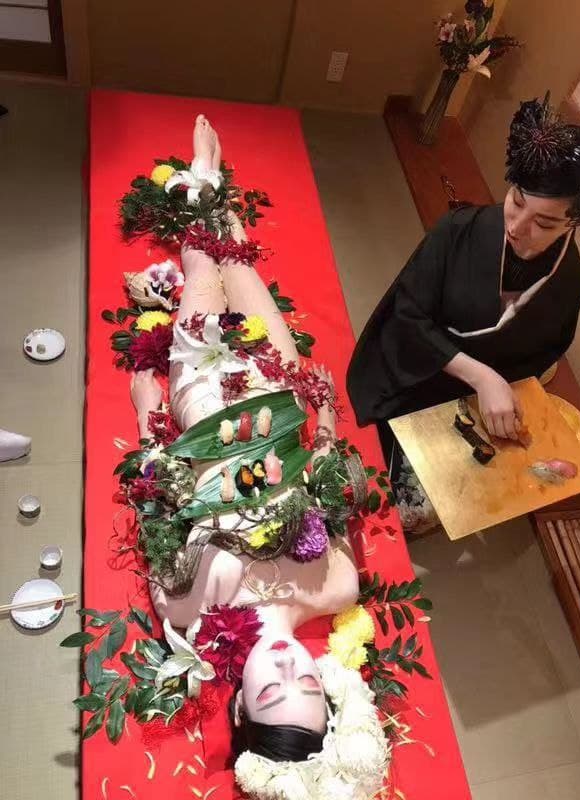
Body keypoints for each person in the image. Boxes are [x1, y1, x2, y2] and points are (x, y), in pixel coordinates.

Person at [130, 115, 360, 762]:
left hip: (205, 412)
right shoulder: (337, 588)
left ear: (239, 705)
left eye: (272, 691)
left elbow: (159, 506)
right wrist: (326, 418)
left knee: (202, 269)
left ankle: (203, 176)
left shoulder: (185, 613)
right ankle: (215, 193)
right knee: (240, 264)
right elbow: (328, 494)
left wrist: (148, 415)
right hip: (279, 401)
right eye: (307, 686)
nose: (290, 669)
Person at [347, 93, 580, 484]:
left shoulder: (571, 284)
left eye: (545, 223)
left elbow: (540, 356)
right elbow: (407, 314)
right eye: (516, 200)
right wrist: (481, 375)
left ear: (574, 223)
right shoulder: (459, 230)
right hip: (411, 368)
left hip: (470, 403)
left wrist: (492, 390)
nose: (516, 226)